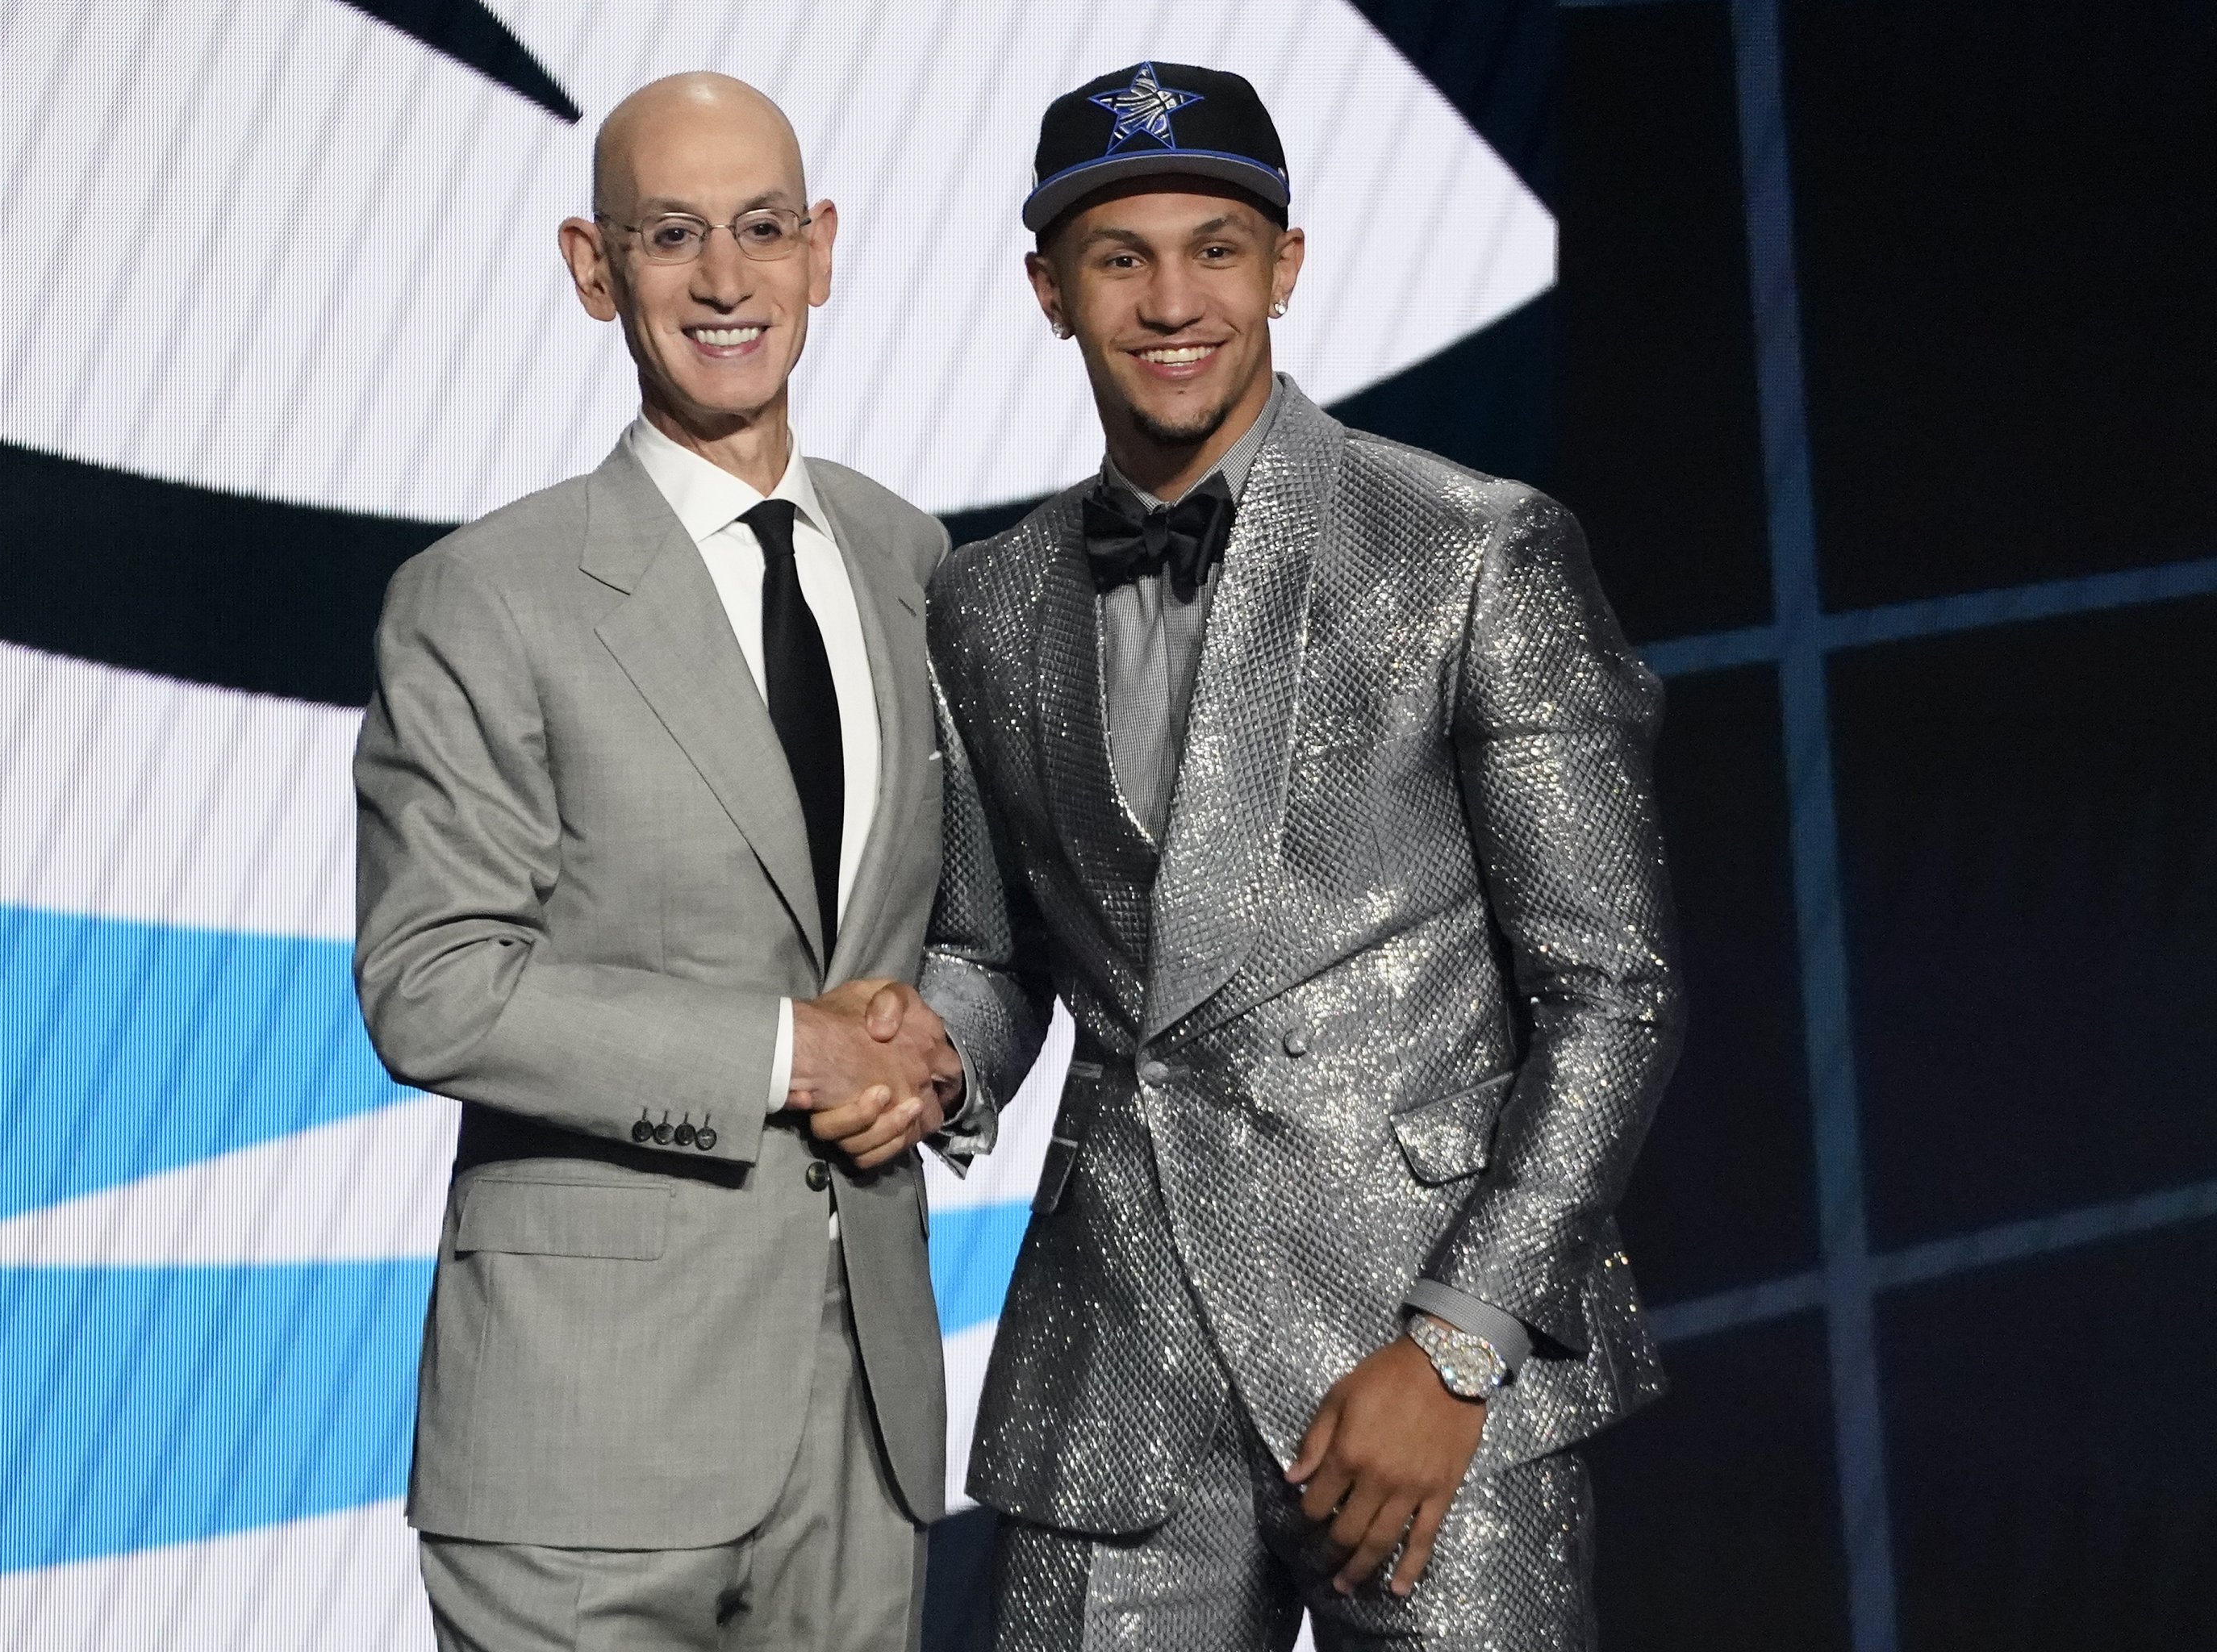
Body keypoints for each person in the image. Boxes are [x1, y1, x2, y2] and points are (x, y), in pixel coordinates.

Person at [914, 61, 1685, 1650]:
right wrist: (921, 1054)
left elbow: (1612, 989)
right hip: (1113, 1377)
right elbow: (999, 953)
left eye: (1216, 247)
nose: (1173, 298)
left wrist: (1462, 1338)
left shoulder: (1476, 545)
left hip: (1424, 1380)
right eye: (1121, 259)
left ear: (1288, 265)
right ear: (1049, 290)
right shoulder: (982, 604)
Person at [353, 73, 974, 1652]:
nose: (724, 279)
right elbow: (433, 988)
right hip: (582, 1440)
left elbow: (978, 917)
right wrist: (789, 1049)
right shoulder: (484, 597)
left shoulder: (915, 562)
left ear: (821, 250)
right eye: (671, 235)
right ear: (592, 268)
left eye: (763, 230)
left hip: (868, 1426)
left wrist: (940, 1051)